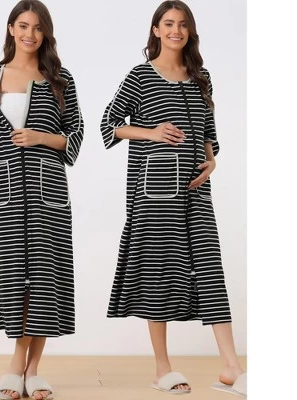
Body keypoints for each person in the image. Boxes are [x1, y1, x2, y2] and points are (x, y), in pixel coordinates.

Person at [100, 0, 246, 396]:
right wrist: (150, 132)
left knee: (210, 268)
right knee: (158, 272)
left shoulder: (201, 77)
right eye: (168, 23)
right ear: (156, 30)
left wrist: (211, 160)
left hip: (196, 188)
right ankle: (162, 368)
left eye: (182, 24)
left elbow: (208, 130)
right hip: (154, 191)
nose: (175, 30)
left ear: (190, 31)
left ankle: (231, 367)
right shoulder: (140, 76)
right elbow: (108, 125)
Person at [0, 1, 84, 398]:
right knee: (13, 277)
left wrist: (41, 137)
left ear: (45, 33)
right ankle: (29, 369)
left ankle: (23, 366)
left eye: (37, 27)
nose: (29, 34)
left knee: (44, 277)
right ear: (11, 28)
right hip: (6, 195)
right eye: (22, 26)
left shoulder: (60, 79)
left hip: (48, 193)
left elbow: (75, 135)